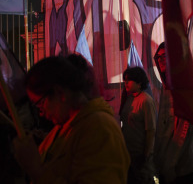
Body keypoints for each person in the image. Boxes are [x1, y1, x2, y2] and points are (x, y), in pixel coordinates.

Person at [13, 56, 130, 184]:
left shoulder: (99, 128)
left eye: (40, 104)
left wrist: (36, 170)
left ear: (60, 93)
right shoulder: (66, 125)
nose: (41, 113)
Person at [153, 42, 193, 184]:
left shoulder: (183, 86)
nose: (161, 60)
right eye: (158, 57)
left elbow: (183, 130)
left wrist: (170, 164)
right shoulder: (165, 88)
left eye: (165, 56)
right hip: (166, 167)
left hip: (180, 169)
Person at [120, 66, 157, 184]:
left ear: (139, 82)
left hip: (140, 155)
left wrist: (145, 155)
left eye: (129, 80)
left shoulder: (146, 101)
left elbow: (150, 131)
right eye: (124, 79)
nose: (126, 82)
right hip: (128, 154)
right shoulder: (128, 98)